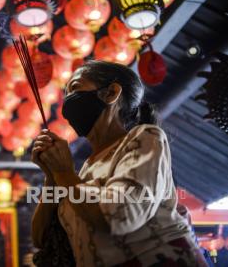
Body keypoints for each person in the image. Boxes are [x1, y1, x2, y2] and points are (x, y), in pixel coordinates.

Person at [31, 60, 208, 266]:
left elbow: (119, 215)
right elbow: (42, 239)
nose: (67, 101)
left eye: (75, 88)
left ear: (111, 93)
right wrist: (52, 177)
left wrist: (65, 175)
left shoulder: (145, 137)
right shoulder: (87, 169)